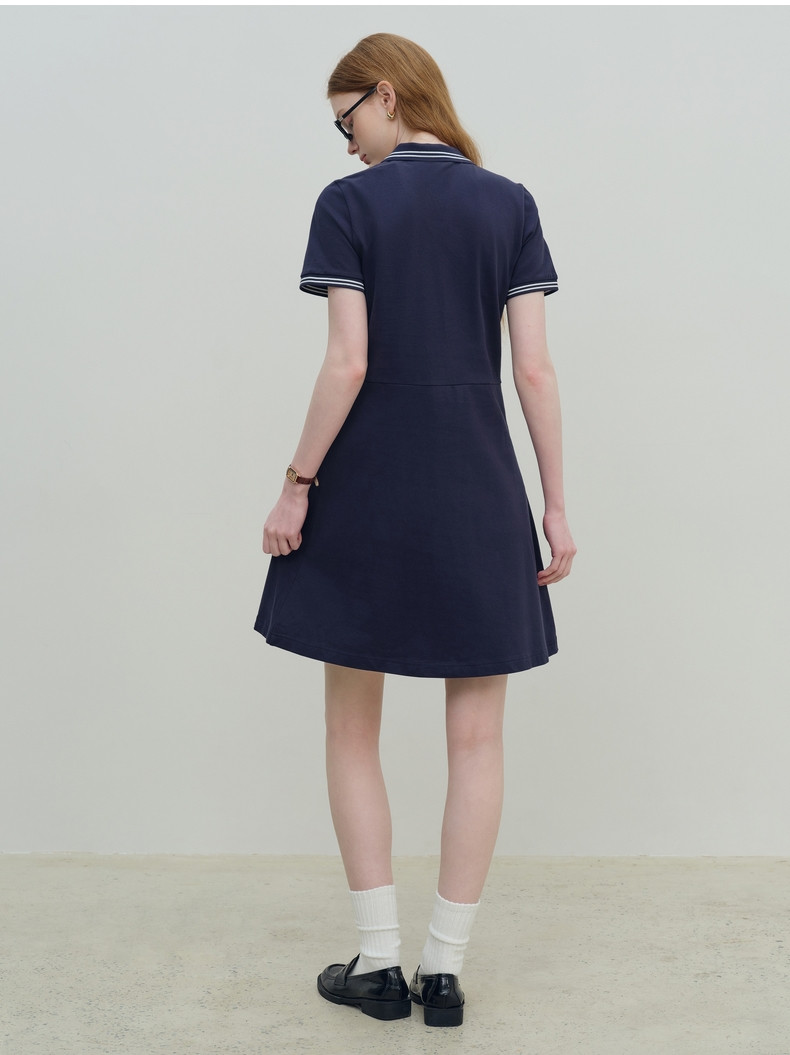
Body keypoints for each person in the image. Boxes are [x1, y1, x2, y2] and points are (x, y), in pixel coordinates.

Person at [254, 32, 576, 1027]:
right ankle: (443, 971)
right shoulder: (508, 203)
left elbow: (346, 364)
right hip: (481, 496)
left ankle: (378, 961)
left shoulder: (348, 206)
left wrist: (296, 483)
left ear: (386, 95)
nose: (346, 142)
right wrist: (555, 503)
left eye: (346, 119)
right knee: (476, 735)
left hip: (367, 493)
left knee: (351, 725)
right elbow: (534, 369)